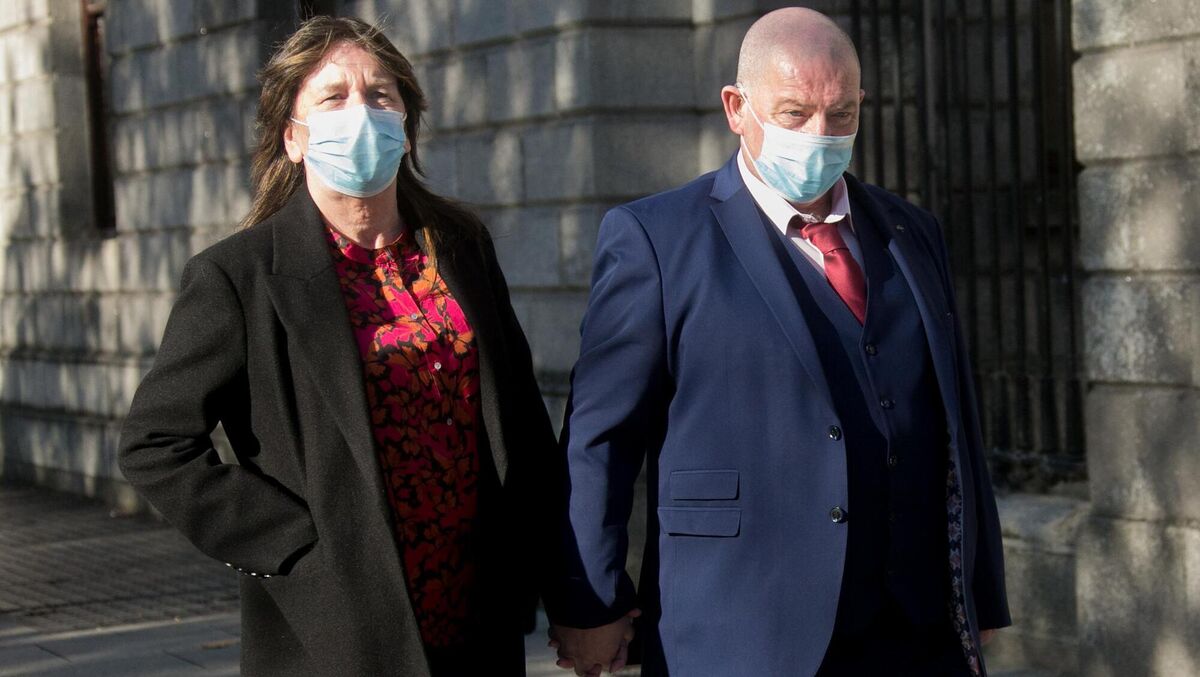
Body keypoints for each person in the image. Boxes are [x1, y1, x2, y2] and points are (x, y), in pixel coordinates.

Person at [547, 7, 1010, 677]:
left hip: (915, 631)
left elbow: (954, 418)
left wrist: (980, 586)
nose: (820, 135)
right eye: (794, 114)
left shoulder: (911, 232)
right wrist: (588, 604)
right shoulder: (656, 238)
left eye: (842, 114)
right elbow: (599, 437)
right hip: (743, 628)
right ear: (738, 108)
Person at [118, 16, 556, 677]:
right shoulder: (240, 276)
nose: (363, 113)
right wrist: (291, 542)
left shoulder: (461, 250)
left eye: (381, 94)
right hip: (336, 630)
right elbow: (155, 445)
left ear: (407, 123)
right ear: (292, 138)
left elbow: (522, 423)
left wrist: (574, 588)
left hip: (475, 619)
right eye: (333, 97)